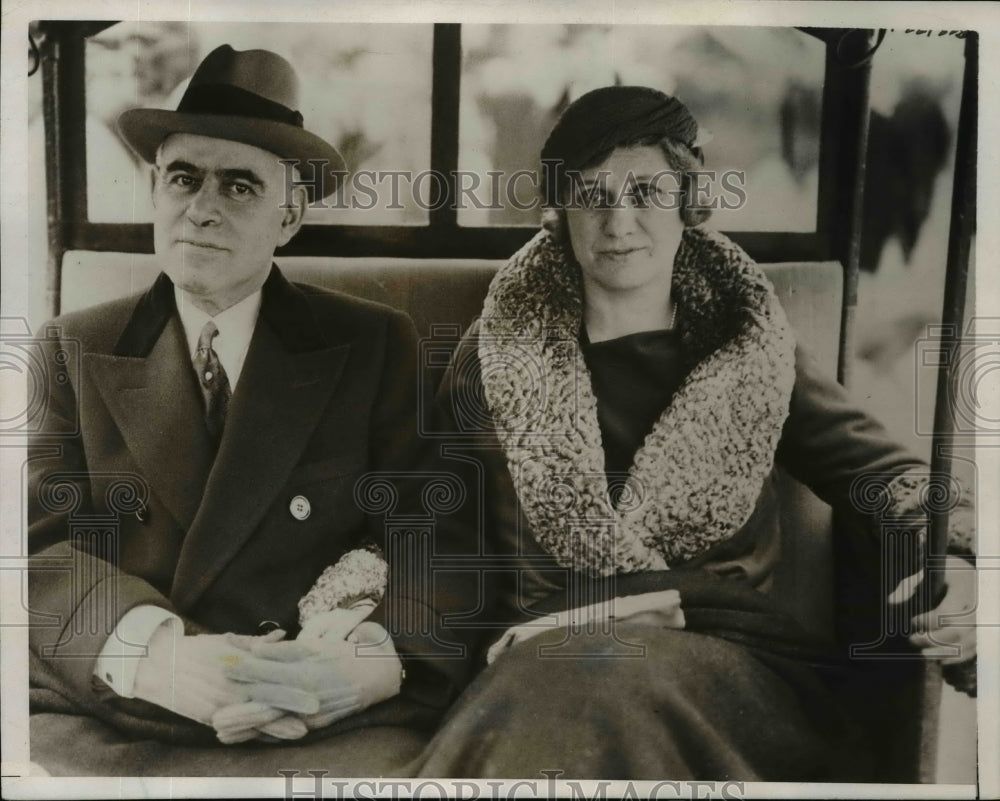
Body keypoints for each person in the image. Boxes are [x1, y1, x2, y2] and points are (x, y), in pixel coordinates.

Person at [414, 86, 977, 780]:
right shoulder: (494, 358)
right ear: (559, 212)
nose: (618, 220)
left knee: (593, 680)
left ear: (688, 200)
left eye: (647, 191)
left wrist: (952, 556)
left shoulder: (749, 345)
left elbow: (887, 475)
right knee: (568, 679)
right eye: (591, 194)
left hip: (724, 657)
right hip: (544, 653)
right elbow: (438, 526)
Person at [27, 44, 472, 776]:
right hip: (125, 705)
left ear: (289, 217)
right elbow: (41, 551)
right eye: (183, 178)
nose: (201, 208)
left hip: (321, 715)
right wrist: (156, 654)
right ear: (155, 192)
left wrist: (362, 667)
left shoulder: (373, 344)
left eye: (239, 186)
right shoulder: (73, 346)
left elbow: (441, 534)